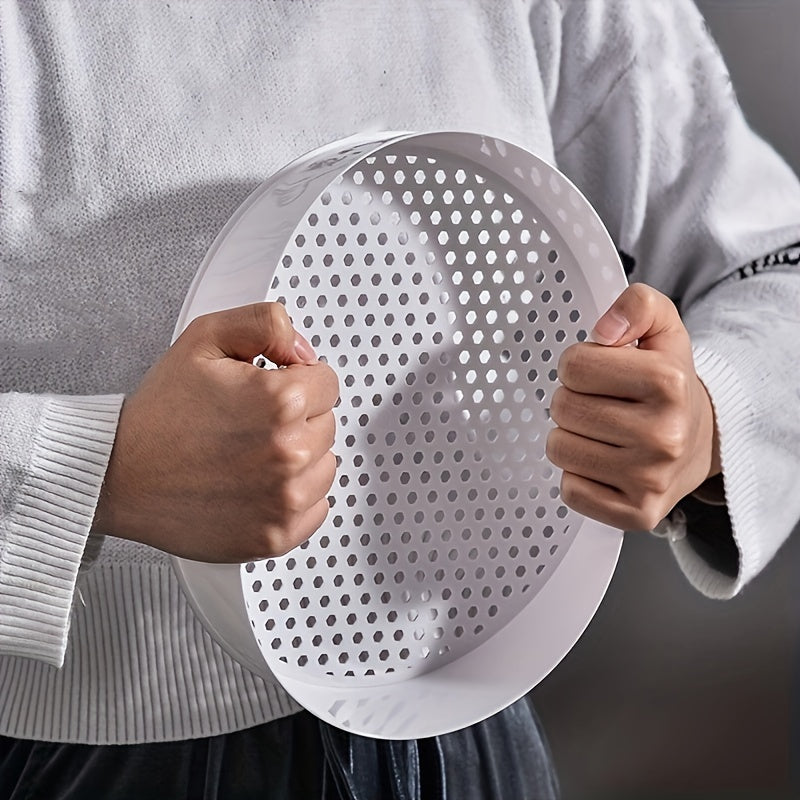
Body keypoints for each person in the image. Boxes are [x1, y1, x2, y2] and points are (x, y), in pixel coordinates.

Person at [1, 1, 799, 797]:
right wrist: (98, 467)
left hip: (466, 712)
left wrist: (708, 412)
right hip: (78, 747)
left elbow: (773, 259)